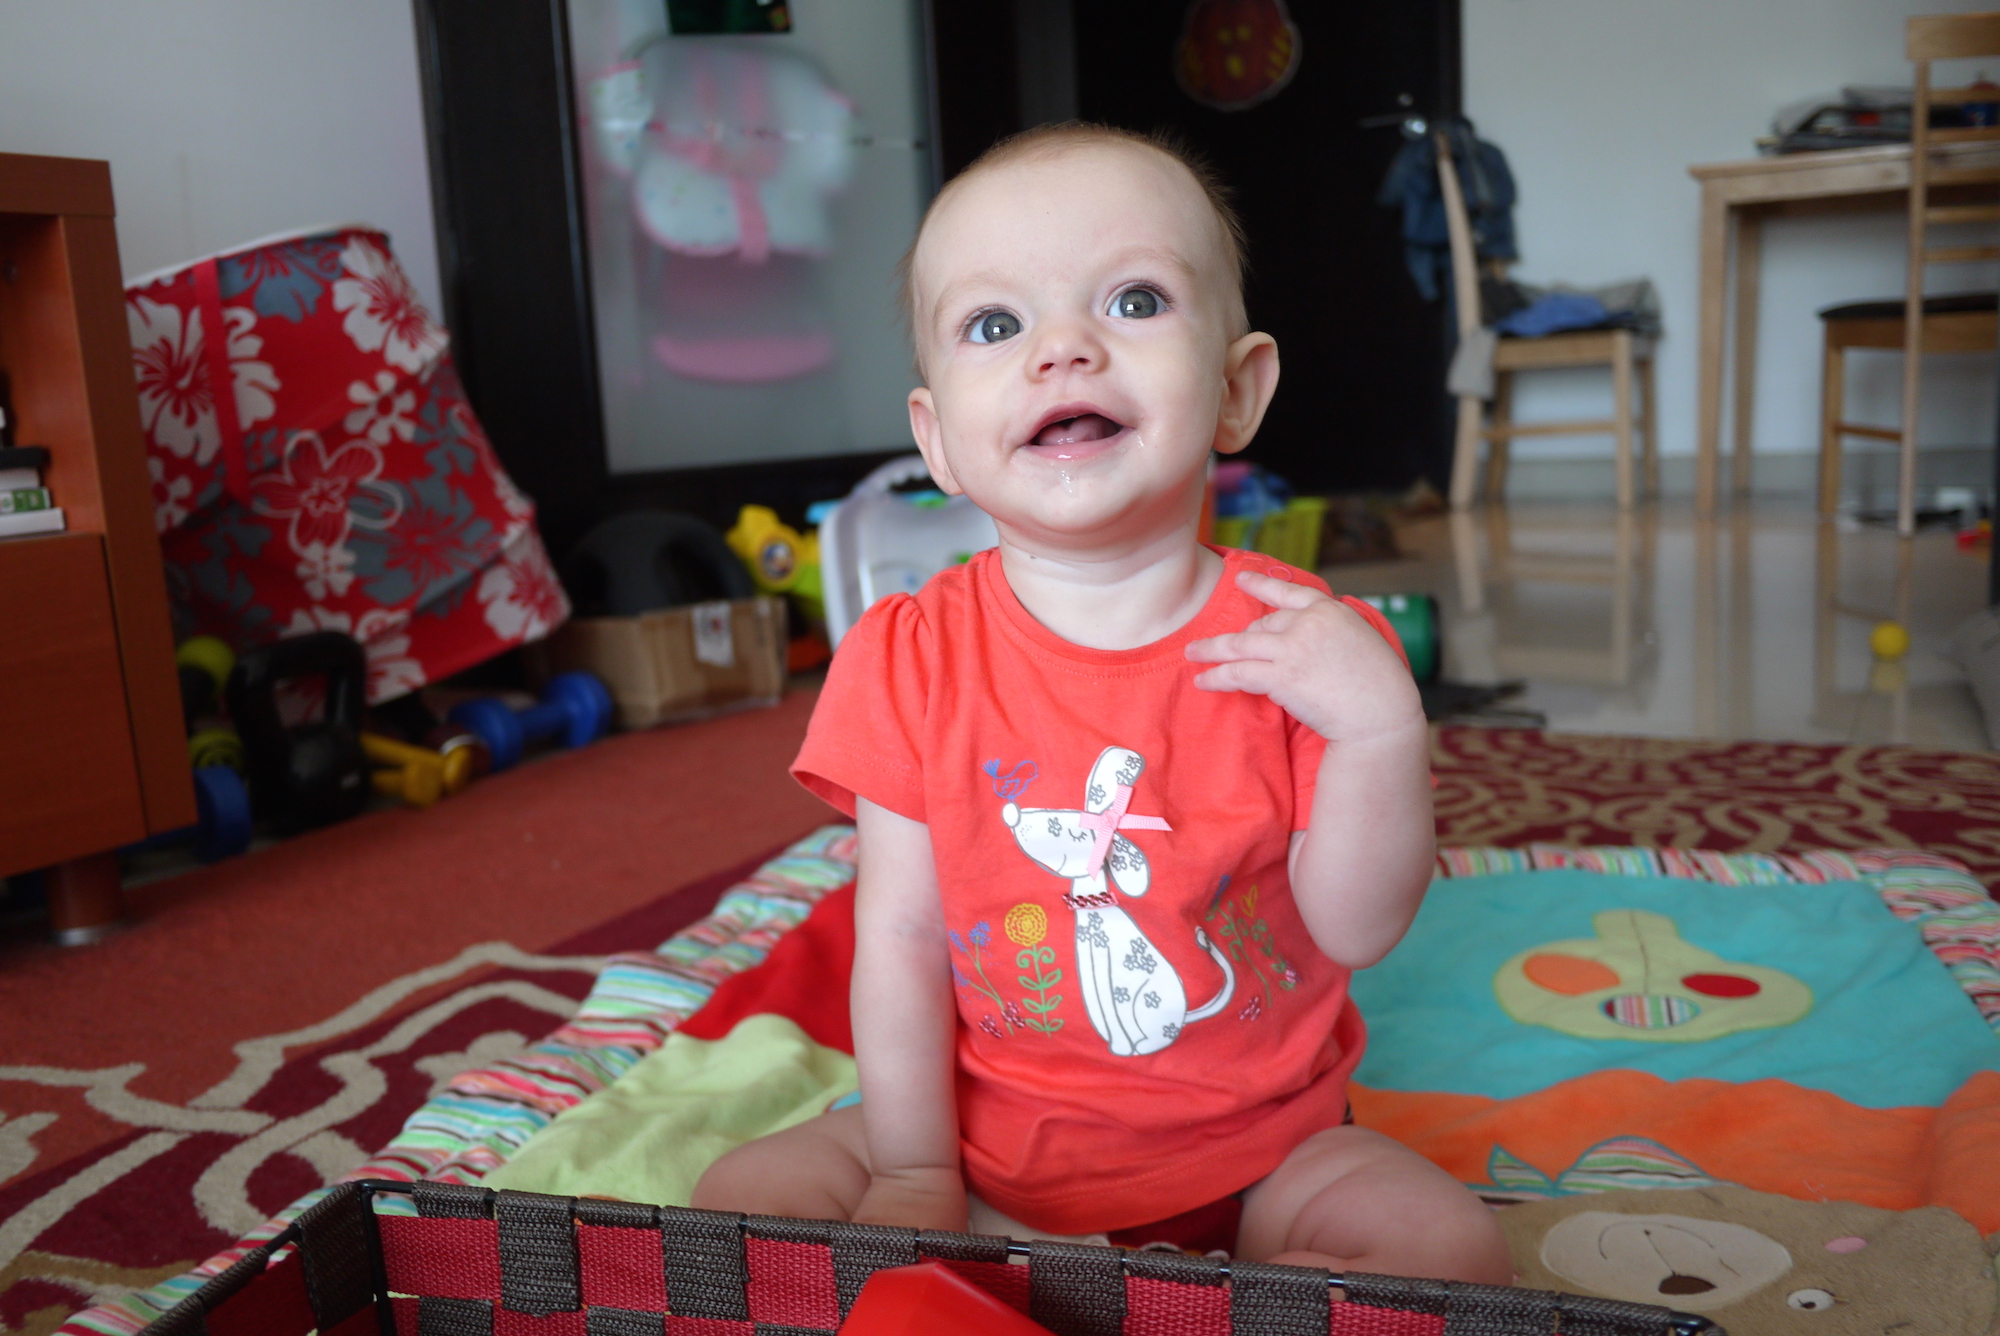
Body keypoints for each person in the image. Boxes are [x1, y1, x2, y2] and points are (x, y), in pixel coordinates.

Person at [693, 123, 1510, 1282]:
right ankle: (1071, 1285)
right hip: (983, 1160)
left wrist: (1379, 730)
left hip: (1263, 1159)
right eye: (994, 324)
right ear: (937, 440)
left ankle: (1138, 1295)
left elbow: (1355, 927)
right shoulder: (909, 654)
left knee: (1447, 1251)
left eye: (1132, 301)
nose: (1062, 350)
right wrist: (915, 1171)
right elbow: (903, 934)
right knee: (741, 1206)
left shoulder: (1302, 646)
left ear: (1236, 391)